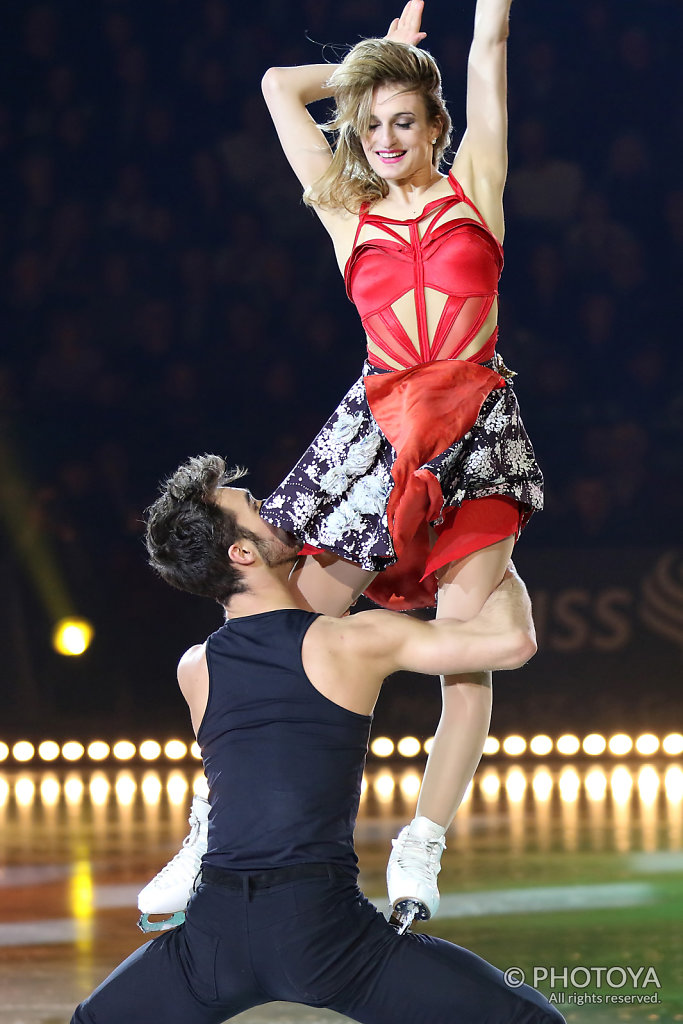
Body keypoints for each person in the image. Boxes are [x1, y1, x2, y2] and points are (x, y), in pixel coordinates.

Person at [140, 0, 543, 927]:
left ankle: (421, 843)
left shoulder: (474, 185)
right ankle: (211, 825)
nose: (386, 137)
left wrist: (467, 28)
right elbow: (279, 87)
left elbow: (488, 42)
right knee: (272, 634)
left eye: (405, 120)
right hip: (374, 437)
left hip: (475, 435)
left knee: (465, 649)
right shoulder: (343, 207)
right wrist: (374, 63)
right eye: (372, 124)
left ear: (439, 127)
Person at [73, 454, 563, 1024]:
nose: (277, 508)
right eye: (256, 508)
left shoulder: (196, 667)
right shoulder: (350, 641)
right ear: (243, 553)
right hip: (321, 933)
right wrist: (489, 552)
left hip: (215, 936)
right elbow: (511, 643)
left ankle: (198, 840)